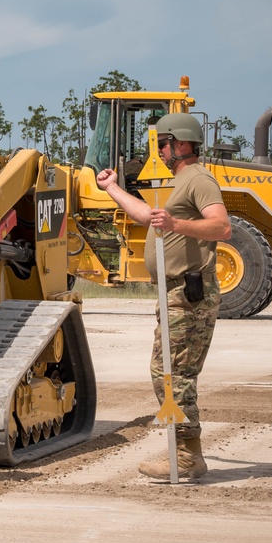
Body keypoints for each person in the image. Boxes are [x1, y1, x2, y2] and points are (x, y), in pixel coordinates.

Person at [95, 113, 232, 480]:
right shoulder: (181, 181)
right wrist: (112, 188)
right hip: (175, 293)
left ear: (182, 144)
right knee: (169, 371)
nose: (159, 150)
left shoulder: (198, 179)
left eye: (163, 143)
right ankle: (185, 449)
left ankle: (187, 455)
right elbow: (148, 217)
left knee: (172, 374)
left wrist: (176, 224)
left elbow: (222, 226)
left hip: (189, 293)